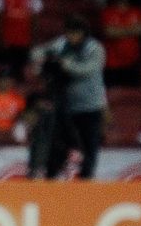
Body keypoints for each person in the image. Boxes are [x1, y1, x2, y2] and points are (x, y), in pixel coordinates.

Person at [30, 14, 107, 179]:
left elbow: (87, 70)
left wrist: (65, 64)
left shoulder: (95, 48)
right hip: (67, 107)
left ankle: (87, 179)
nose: (70, 37)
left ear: (83, 34)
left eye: (74, 33)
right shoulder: (61, 43)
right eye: (68, 33)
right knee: (61, 146)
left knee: (88, 147)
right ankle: (56, 176)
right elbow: (37, 51)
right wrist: (41, 60)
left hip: (90, 107)